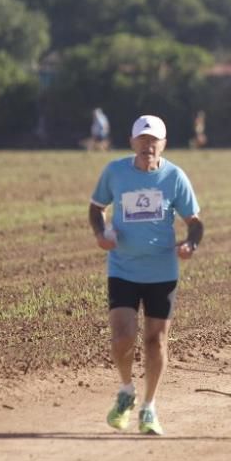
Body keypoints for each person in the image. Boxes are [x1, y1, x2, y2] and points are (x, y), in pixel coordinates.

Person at [88, 114, 204, 436]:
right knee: (123, 337)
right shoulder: (115, 172)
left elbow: (194, 222)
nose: (147, 146)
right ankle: (126, 390)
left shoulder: (174, 177)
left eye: (154, 141)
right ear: (132, 142)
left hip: (162, 271)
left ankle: (149, 407)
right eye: (142, 139)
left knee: (156, 342)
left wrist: (190, 244)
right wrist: (101, 233)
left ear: (163, 145)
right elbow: (96, 207)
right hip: (123, 267)